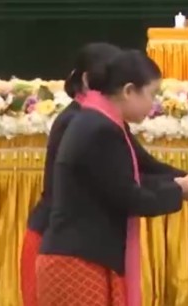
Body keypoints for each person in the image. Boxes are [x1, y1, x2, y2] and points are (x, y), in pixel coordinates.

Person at [21, 45, 188, 306]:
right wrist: (179, 190)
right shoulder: (96, 127)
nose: (153, 103)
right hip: (77, 258)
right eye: (152, 94)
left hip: (87, 255)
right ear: (128, 90)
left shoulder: (101, 122)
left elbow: (136, 171)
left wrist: (185, 181)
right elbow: (129, 195)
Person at [20, 42, 120, 306]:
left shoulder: (97, 119)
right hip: (62, 248)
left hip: (81, 246)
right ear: (87, 80)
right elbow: (116, 184)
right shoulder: (77, 122)